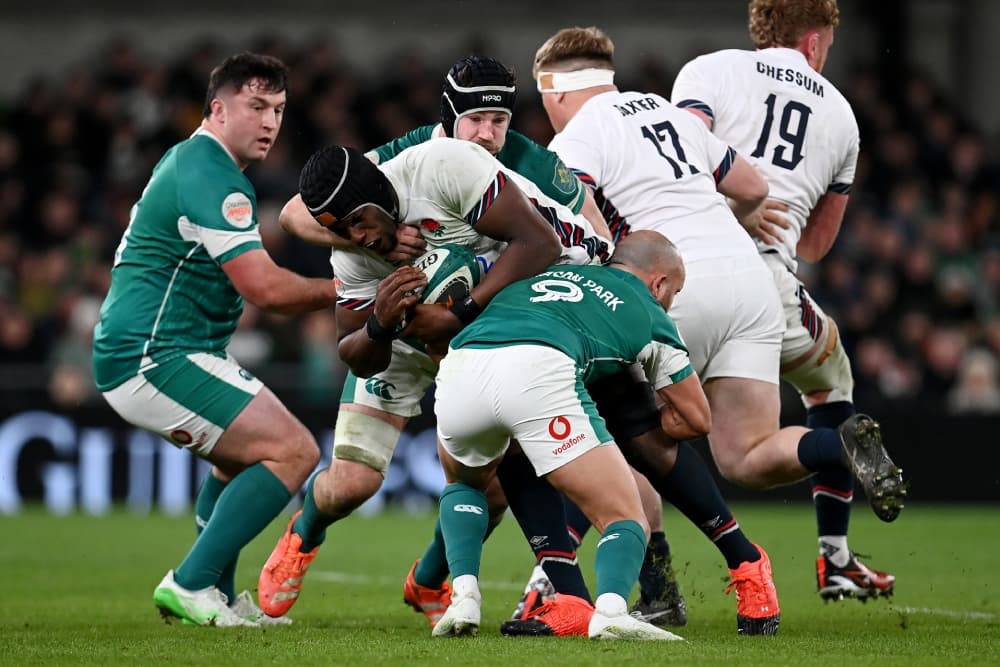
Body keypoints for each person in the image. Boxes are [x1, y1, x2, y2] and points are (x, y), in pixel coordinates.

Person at [531, 25, 907, 615]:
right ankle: (838, 445)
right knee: (747, 455)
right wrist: (735, 214)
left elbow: (577, 217)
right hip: (750, 282)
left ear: (554, 95)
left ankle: (603, 587)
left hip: (675, 286)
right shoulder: (668, 111)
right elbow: (753, 185)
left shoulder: (577, 136)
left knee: (623, 434)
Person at [256, 137, 611, 618]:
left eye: (359, 220)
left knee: (492, 486)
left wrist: (459, 312)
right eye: (341, 229)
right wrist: (379, 325)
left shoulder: (444, 167)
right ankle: (305, 531)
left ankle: (428, 580)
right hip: (406, 339)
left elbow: (539, 242)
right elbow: (354, 352)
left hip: (482, 320)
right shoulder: (353, 255)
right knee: (351, 482)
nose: (357, 236)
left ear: (380, 191)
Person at [91, 52, 339, 627]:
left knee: (237, 464)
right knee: (295, 451)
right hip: (152, 356)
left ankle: (219, 598)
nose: (270, 121)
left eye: (278, 108)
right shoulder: (209, 171)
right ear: (217, 109)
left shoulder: (201, 166)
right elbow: (265, 289)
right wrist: (351, 290)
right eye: (256, 106)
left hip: (168, 351)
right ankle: (191, 582)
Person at [670, 0, 897, 600]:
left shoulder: (708, 71)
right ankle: (837, 555)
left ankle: (569, 572)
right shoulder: (842, 116)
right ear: (818, 40)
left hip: (688, 273)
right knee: (828, 380)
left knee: (621, 416)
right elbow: (818, 244)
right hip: (771, 291)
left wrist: (737, 200)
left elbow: (676, 166)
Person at [430, 230, 695, 640]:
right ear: (659, 284)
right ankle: (609, 611)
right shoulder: (648, 307)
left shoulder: (541, 276)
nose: (671, 300)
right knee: (624, 516)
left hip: (462, 360)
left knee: (465, 484)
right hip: (538, 369)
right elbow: (697, 418)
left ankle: (463, 595)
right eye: (674, 291)